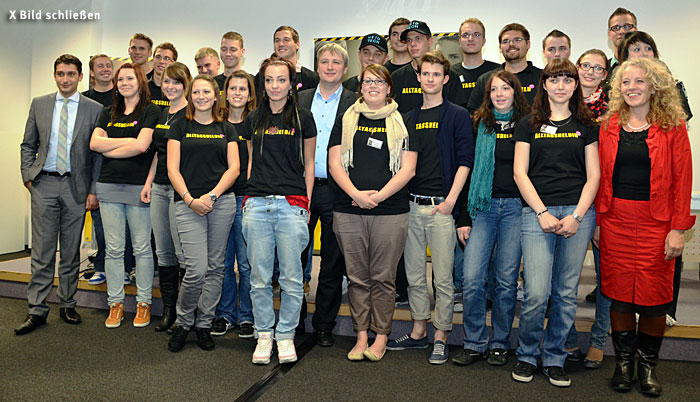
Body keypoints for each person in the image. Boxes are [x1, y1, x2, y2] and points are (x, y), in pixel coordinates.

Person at [597, 57, 694, 397]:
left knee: (654, 298)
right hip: (615, 221)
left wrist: (678, 228)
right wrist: (597, 220)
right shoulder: (608, 124)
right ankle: (624, 364)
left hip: (658, 224)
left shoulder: (673, 126)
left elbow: (683, 181)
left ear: (654, 86)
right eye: (626, 83)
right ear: (618, 89)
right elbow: (599, 178)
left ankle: (648, 366)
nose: (632, 88)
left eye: (639, 82)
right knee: (620, 297)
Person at [511, 58, 600, 387]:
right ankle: (526, 355)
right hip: (537, 215)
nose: (561, 85)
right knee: (536, 293)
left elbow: (594, 176)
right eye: (554, 79)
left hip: (578, 216)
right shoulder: (527, 123)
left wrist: (577, 216)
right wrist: (542, 212)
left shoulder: (587, 125)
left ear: (575, 86)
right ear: (544, 84)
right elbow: (519, 172)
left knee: (565, 293)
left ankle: (554, 357)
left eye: (567, 80)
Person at [386, 51, 473, 365]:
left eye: (437, 74)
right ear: (419, 78)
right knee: (414, 276)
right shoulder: (408, 118)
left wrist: (451, 201)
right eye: (426, 74)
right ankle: (419, 329)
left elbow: (465, 161)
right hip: (412, 206)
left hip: (442, 208)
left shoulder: (458, 115)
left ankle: (441, 334)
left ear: (445, 79)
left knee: (443, 279)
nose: (431, 79)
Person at [328, 64, 417, 362]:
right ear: (360, 87)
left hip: (390, 211)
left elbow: (408, 169)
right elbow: (334, 164)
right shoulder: (346, 119)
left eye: (380, 81)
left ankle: (381, 336)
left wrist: (378, 197)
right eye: (368, 81)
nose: (374, 86)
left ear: (389, 88)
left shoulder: (403, 122)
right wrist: (355, 194)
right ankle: (361, 335)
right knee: (356, 277)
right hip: (349, 209)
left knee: (383, 277)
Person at [16, 54, 103, 335]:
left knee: (70, 251)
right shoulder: (40, 104)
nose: (65, 79)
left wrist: (93, 190)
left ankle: (67, 304)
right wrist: (29, 177)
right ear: (55, 75)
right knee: (41, 252)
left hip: (76, 188)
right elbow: (28, 144)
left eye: (70, 74)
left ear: (80, 77)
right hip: (44, 184)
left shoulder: (94, 108)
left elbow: (97, 156)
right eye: (60, 74)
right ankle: (37, 310)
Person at [242, 57, 317, 365]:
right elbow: (250, 163)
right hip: (257, 205)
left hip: (291, 205)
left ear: (291, 84)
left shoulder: (303, 117)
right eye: (269, 80)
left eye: (281, 79)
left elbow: (310, 163)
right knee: (259, 278)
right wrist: (248, 198)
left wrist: (306, 204)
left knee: (291, 278)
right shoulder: (253, 118)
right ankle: (264, 334)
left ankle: (285, 335)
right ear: (263, 85)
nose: (275, 85)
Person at [454, 70, 529, 367]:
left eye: (505, 88)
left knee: (506, 282)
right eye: (494, 89)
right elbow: (467, 170)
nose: (499, 94)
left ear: (515, 92)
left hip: (514, 209)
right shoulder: (477, 125)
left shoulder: (528, 125)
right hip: (481, 208)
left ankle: (499, 342)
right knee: (472, 280)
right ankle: (473, 342)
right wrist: (463, 217)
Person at [165, 75, 239, 352]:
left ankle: (204, 324)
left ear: (216, 94)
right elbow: (172, 169)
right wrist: (189, 198)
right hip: (187, 203)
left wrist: (211, 196)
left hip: (220, 203)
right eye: (196, 91)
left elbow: (234, 168)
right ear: (190, 94)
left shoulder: (227, 127)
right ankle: (184, 322)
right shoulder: (179, 125)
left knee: (217, 267)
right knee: (196, 269)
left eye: (206, 91)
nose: (201, 96)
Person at [89, 63, 161, 329]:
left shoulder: (152, 111)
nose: (124, 83)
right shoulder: (107, 112)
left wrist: (112, 146)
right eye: (121, 79)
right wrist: (128, 144)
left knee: (142, 249)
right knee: (114, 248)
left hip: (137, 186)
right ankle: (115, 303)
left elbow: (144, 145)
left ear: (140, 81)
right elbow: (95, 144)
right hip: (108, 185)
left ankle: (143, 303)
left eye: (130, 78)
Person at [298, 43, 356, 347]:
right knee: (296, 259)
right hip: (302, 189)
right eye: (324, 61)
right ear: (317, 66)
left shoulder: (355, 102)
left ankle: (323, 325)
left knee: (332, 264)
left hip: (337, 192)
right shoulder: (301, 99)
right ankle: (294, 323)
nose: (330, 66)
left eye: (336, 62)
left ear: (345, 69)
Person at [565, 49, 611, 369]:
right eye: (586, 65)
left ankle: (598, 341)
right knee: (564, 281)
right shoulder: (559, 106)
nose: (590, 71)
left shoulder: (612, 113)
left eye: (598, 67)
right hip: (567, 201)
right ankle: (567, 340)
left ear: (606, 75)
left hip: (603, 205)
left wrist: (601, 212)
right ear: (577, 68)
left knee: (606, 280)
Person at [140, 62, 191, 332]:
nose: (171, 87)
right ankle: (168, 309)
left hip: (179, 190)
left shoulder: (191, 114)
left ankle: (184, 313)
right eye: (167, 82)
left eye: (176, 82)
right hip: (159, 187)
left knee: (183, 252)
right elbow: (159, 152)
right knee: (163, 251)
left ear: (186, 84)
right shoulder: (162, 113)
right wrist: (148, 182)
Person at [210, 70, 257, 339]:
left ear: (250, 94)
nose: (237, 93)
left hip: (246, 199)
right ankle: (225, 314)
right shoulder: (216, 124)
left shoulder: (254, 124)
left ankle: (247, 317)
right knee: (224, 263)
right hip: (220, 198)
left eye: (243, 89)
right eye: (233, 88)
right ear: (224, 93)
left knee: (248, 264)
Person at [617, 31, 692, 121]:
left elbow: (682, 117)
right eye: (637, 49)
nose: (644, 53)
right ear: (625, 57)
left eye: (648, 48)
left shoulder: (668, 82)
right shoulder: (617, 86)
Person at [468, 23, 543, 111]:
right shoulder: (486, 80)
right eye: (506, 41)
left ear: (528, 44)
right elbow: (474, 115)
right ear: (500, 47)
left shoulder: (542, 78)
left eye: (517, 40)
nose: (511, 44)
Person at [391, 20, 460, 113]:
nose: (413, 44)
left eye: (418, 39)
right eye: (409, 40)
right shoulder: (397, 77)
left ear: (430, 41)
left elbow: (457, 112)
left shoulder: (449, 75)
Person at [254, 26, 319, 100]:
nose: (281, 44)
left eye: (286, 40)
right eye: (277, 40)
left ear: (297, 44)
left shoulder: (310, 78)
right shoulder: (262, 76)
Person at [450, 18, 499, 109]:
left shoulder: (497, 71)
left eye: (476, 34)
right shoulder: (450, 73)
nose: (471, 39)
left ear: (484, 41)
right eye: (465, 35)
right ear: (460, 41)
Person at [148, 42, 178, 109]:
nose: (161, 61)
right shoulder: (143, 88)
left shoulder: (179, 90)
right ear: (153, 60)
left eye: (166, 58)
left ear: (174, 63)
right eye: (158, 57)